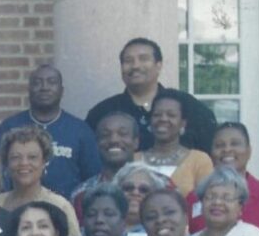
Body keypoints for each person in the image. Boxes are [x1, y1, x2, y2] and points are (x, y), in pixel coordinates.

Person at [85, 36, 218, 153]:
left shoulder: (189, 107)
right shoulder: (103, 113)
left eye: (143, 59)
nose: (135, 66)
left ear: (158, 66)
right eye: (128, 61)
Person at [0, 62, 100, 197]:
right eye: (37, 83)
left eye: (51, 82)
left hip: (67, 210)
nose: (44, 87)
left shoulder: (80, 130)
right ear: (29, 90)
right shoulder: (10, 127)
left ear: (61, 91)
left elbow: (93, 179)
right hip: (16, 209)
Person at [0, 126, 81, 236]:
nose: (24, 163)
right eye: (16, 157)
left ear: (44, 162)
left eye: (32, 157)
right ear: (6, 164)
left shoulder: (60, 206)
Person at [137, 94, 213, 196]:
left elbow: (204, 201)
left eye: (171, 115)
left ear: (183, 123)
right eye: (157, 114)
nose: (163, 119)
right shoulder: (135, 159)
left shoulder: (199, 160)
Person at [70, 111, 142, 215]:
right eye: (105, 135)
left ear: (136, 142)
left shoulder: (158, 186)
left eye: (122, 134)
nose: (114, 140)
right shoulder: (82, 193)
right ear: (97, 143)